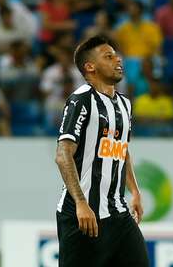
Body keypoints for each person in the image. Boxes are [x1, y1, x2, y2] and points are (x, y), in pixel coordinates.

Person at [54, 35, 149, 266]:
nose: (118, 60)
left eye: (117, 55)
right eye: (109, 56)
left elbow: (121, 150)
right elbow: (62, 154)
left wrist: (134, 191)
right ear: (90, 66)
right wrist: (80, 203)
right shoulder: (82, 99)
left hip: (118, 213)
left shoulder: (125, 104)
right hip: (83, 216)